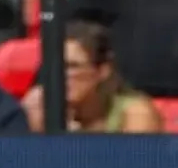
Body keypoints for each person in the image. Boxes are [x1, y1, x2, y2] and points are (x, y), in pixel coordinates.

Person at [21, 20, 163, 133]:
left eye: (72, 66)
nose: (61, 75)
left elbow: (135, 165)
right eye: (56, 66)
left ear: (102, 71)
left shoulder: (135, 113)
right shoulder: (39, 107)